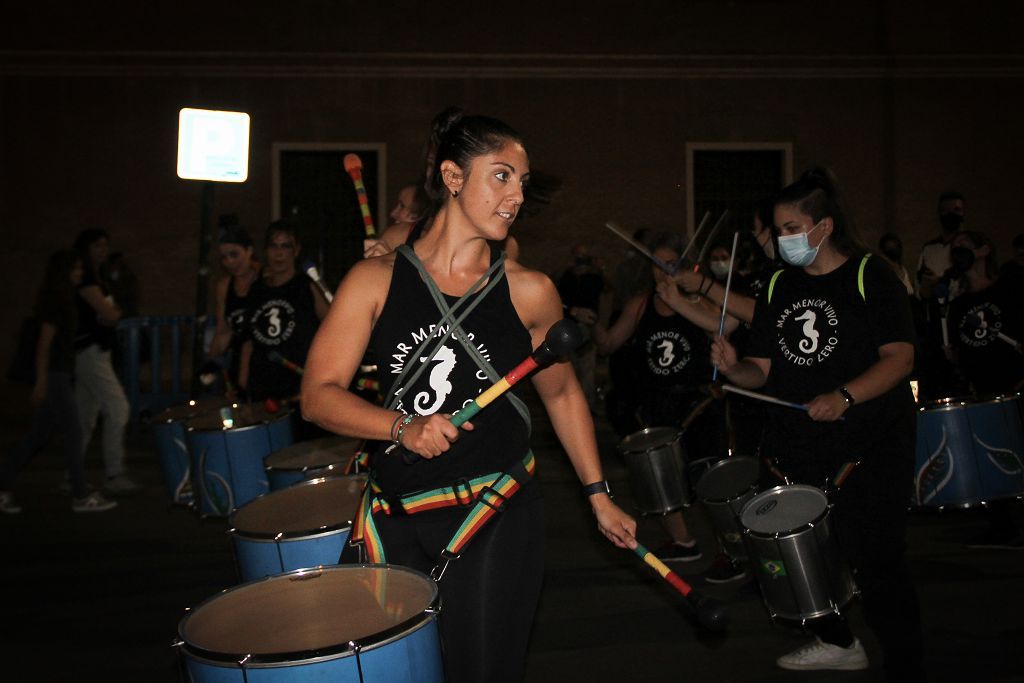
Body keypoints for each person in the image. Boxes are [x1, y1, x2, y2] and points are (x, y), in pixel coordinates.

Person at [300, 111, 637, 683]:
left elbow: (562, 396)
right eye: (501, 176)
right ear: (453, 177)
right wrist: (402, 428)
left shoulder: (530, 291)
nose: (515, 197)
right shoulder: (375, 280)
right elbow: (317, 396)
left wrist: (597, 493)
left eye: (522, 183)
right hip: (397, 510)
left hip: (496, 509)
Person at [711, 167, 924, 679]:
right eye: (779, 229)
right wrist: (731, 365)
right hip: (797, 444)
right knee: (795, 554)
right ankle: (836, 640)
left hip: (867, 445)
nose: (782, 240)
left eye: (790, 228)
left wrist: (845, 396)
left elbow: (899, 358)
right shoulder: (779, 283)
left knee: (875, 559)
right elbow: (759, 369)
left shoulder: (871, 275)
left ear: (823, 227)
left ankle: (905, 662)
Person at [594, 231, 741, 583]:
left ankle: (733, 552)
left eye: (670, 263)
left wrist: (681, 303)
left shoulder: (696, 300)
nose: (663, 270)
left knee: (710, 479)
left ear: (685, 265)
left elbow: (727, 324)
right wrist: (594, 323)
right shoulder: (641, 304)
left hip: (699, 399)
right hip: (658, 402)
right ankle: (683, 541)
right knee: (660, 476)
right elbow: (610, 343)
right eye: (656, 263)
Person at [0, 250, 117, 514]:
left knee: (38, 436)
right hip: (55, 375)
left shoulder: (63, 300)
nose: (79, 273)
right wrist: (42, 381)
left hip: (59, 373)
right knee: (73, 434)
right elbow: (44, 345)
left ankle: (3, 484)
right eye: (74, 269)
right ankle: (80, 494)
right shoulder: (57, 302)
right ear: (62, 272)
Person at [945, 229, 1024, 549]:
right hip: (984, 393)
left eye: (964, 246)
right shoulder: (959, 304)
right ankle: (1002, 528)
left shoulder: (1010, 288)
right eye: (954, 249)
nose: (958, 252)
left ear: (984, 249)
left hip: (1017, 385)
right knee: (991, 458)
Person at [238, 220, 329, 439]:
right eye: (273, 246)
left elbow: (333, 328)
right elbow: (248, 339)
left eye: (285, 246)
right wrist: (243, 380)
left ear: (296, 251)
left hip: (299, 386)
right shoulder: (257, 290)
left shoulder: (306, 286)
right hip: (262, 384)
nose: (279, 253)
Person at [72, 228, 137, 495]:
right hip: (91, 351)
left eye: (105, 246)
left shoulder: (99, 277)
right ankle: (114, 472)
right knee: (118, 408)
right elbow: (109, 314)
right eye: (97, 246)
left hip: (96, 352)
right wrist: (111, 314)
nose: (103, 251)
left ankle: (71, 474)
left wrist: (112, 314)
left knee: (85, 417)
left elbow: (113, 313)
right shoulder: (87, 278)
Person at [913, 191, 965, 401]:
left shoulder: (969, 246)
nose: (951, 214)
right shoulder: (930, 249)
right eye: (946, 210)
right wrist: (930, 286)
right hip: (936, 321)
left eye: (957, 210)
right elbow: (921, 289)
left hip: (963, 317)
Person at [208, 224, 261, 393]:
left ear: (249, 251)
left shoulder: (266, 278)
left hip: (265, 361)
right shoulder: (224, 286)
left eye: (234, 254)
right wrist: (210, 362)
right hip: (237, 363)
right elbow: (223, 331)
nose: (230, 262)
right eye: (224, 257)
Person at [556, 243, 607, 412]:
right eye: (578, 257)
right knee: (569, 370)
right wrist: (574, 311)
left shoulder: (595, 277)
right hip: (568, 327)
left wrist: (600, 269)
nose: (581, 262)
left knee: (587, 370)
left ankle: (587, 408)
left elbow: (607, 293)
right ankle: (571, 408)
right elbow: (556, 298)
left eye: (585, 257)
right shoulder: (566, 276)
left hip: (588, 327)